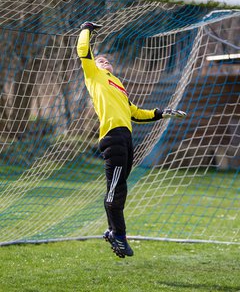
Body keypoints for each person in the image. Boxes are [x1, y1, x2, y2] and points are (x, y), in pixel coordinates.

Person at [77, 21, 187, 258]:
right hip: (112, 137)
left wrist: (161, 113)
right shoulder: (93, 75)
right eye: (101, 59)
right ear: (94, 65)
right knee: (114, 191)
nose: (104, 60)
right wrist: (86, 29)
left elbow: (135, 113)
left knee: (120, 189)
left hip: (126, 139)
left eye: (107, 59)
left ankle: (111, 230)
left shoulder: (118, 84)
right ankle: (118, 236)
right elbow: (83, 51)